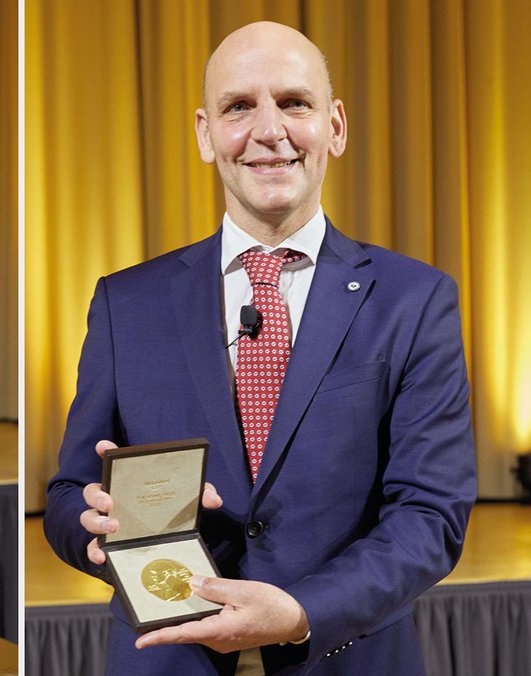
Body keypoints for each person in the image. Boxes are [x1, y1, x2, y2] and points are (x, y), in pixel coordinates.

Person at [44, 21, 475, 675]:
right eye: (238, 107)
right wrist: (92, 526)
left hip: (342, 655)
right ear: (204, 133)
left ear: (334, 126)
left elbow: (430, 514)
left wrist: (301, 611)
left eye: (293, 103)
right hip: (167, 656)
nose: (269, 130)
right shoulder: (123, 302)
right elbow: (68, 491)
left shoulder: (413, 299)